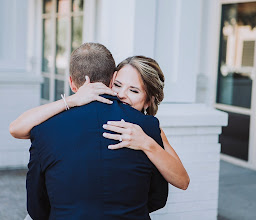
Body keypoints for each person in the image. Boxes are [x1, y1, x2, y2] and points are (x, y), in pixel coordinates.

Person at [16, 42, 171, 220]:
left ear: (72, 83)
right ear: (113, 79)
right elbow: (158, 198)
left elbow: (36, 205)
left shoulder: (44, 128)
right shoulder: (147, 126)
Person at [10, 56, 190, 192]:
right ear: (110, 81)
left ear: (148, 101)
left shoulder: (150, 129)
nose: (121, 94)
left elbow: (182, 181)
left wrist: (147, 143)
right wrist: (72, 100)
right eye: (117, 85)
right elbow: (16, 129)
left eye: (133, 90)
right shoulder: (87, 115)